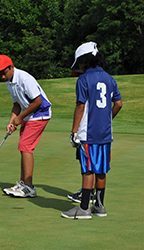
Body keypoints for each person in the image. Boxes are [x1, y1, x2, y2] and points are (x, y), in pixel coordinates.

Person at [61, 42, 122, 219]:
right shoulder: (110, 79)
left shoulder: (84, 79)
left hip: (88, 134)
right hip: (105, 133)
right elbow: (118, 104)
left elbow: (80, 106)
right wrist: (107, 119)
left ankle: (84, 208)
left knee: (88, 170)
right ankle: (100, 207)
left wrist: (73, 132)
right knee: (101, 170)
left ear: (84, 61)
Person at [0, 55, 51, 197]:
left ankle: (29, 187)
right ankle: (23, 184)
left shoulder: (24, 78)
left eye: (4, 72)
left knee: (25, 147)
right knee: (23, 148)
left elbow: (37, 102)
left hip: (40, 113)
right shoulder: (9, 83)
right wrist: (11, 121)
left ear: (11, 67)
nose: (2, 76)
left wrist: (20, 118)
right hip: (29, 115)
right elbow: (17, 104)